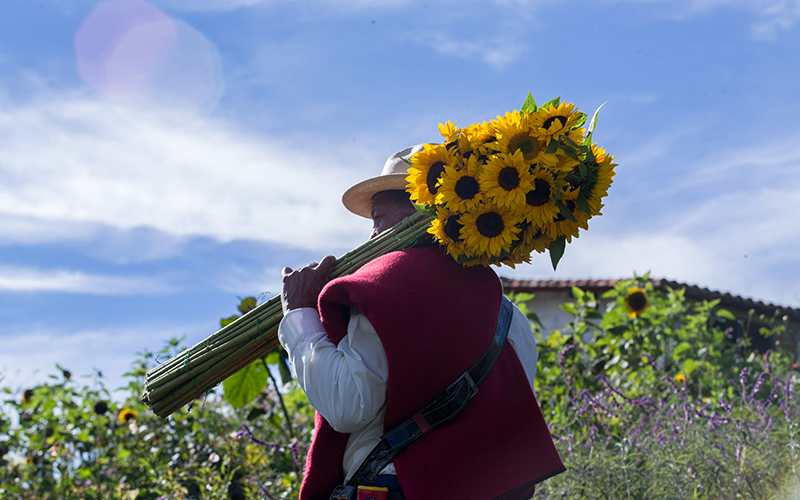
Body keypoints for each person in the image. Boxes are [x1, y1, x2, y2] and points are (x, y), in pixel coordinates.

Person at [278, 145, 565, 500]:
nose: (372, 237)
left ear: (419, 212)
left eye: (379, 219)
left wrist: (299, 315)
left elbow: (346, 405)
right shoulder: (511, 317)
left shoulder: (386, 293)